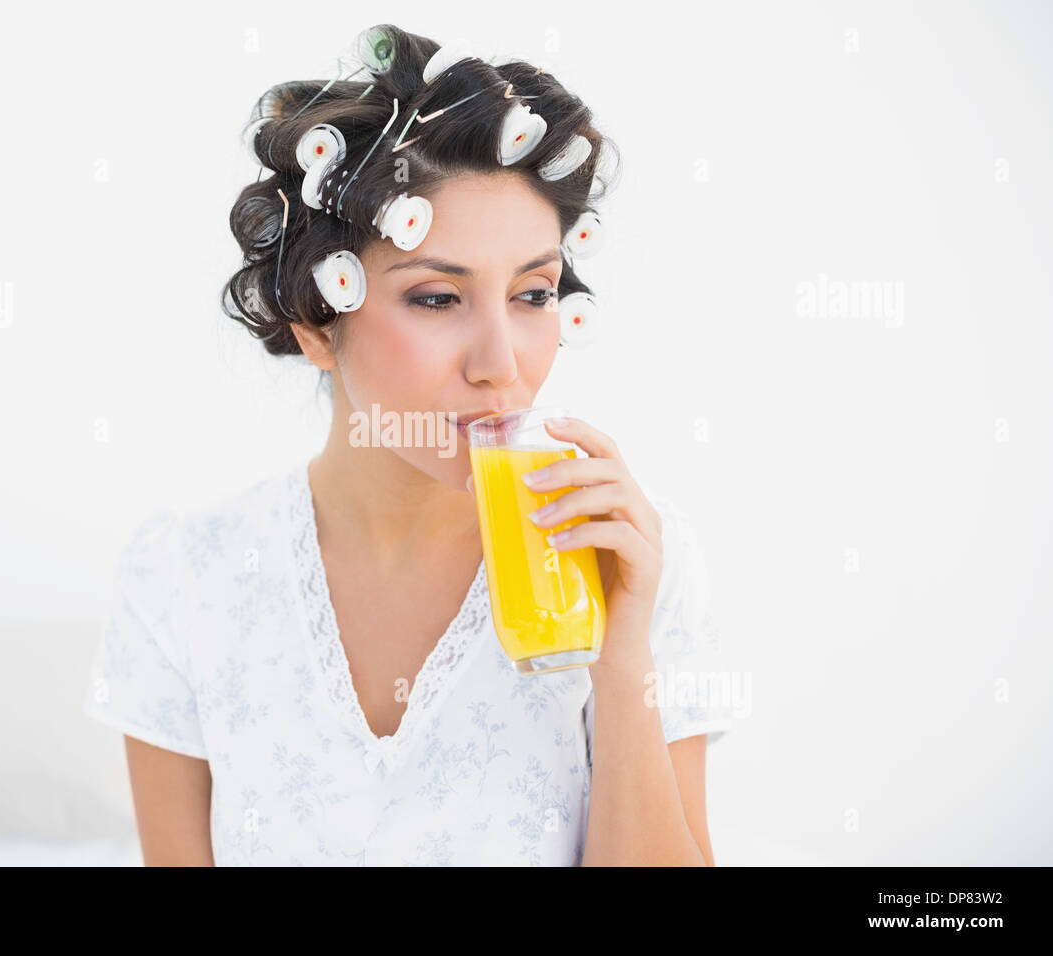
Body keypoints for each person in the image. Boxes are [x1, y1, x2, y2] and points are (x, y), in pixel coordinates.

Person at [82, 23, 734, 866]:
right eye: (436, 298)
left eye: (534, 294)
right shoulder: (184, 579)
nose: (502, 365)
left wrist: (620, 659)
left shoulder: (630, 561)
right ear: (316, 322)